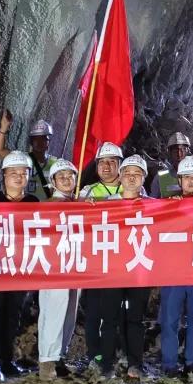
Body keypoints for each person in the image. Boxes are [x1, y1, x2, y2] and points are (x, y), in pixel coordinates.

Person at [0, 150, 40, 384]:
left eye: (23, 173)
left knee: (13, 314)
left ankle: (7, 359)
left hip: (20, 267)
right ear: (3, 176)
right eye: (13, 173)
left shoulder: (33, 203)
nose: (18, 177)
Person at [97, 154, 153, 380]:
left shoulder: (154, 206)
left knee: (136, 319)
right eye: (127, 173)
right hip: (113, 270)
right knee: (109, 318)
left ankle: (135, 363)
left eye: (137, 174)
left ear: (144, 178)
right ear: (119, 177)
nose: (131, 178)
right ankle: (107, 363)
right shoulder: (105, 205)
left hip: (140, 269)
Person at [159, 155, 193, 378]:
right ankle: (169, 363)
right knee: (170, 319)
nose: (191, 181)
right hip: (173, 273)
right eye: (186, 177)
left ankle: (191, 360)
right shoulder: (167, 205)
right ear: (179, 180)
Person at [76, 142, 123, 371]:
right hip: (95, 261)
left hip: (120, 261)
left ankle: (109, 355)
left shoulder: (131, 188)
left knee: (113, 313)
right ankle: (94, 354)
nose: (106, 166)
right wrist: (81, 205)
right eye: (102, 162)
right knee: (93, 311)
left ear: (120, 165)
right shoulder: (87, 191)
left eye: (112, 162)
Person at [36, 159, 80, 380]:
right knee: (53, 309)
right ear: (52, 182)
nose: (66, 179)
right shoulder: (47, 205)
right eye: (60, 176)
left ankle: (60, 354)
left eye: (70, 175)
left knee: (70, 309)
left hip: (75, 263)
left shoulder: (79, 203)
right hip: (53, 266)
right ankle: (47, 359)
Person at [155, 132, 191, 199]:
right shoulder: (161, 176)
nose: (179, 154)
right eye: (175, 151)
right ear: (170, 153)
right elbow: (152, 201)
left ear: (188, 152)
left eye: (182, 150)